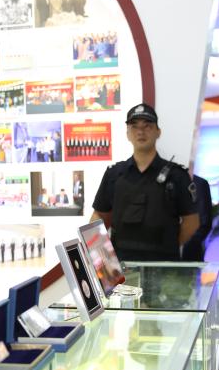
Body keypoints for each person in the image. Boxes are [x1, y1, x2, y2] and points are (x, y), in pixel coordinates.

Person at [91, 103, 198, 261]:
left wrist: (168, 248)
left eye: (147, 126)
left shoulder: (177, 176)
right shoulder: (114, 174)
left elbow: (192, 221)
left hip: (163, 267)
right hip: (123, 267)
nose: (140, 131)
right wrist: (104, 258)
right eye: (134, 126)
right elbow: (99, 216)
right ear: (127, 134)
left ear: (158, 132)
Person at [181, 171, 212, 261]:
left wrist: (187, 243)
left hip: (190, 252)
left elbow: (205, 222)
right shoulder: (159, 182)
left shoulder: (199, 184)